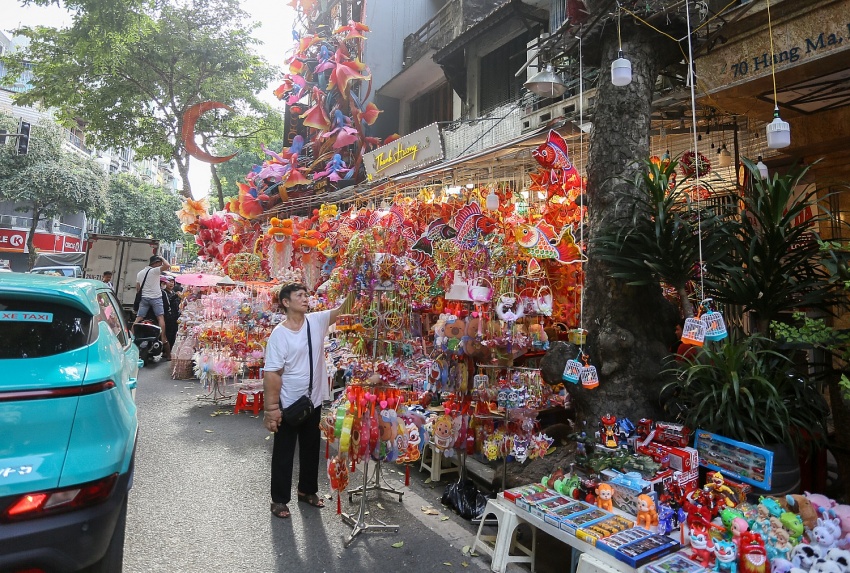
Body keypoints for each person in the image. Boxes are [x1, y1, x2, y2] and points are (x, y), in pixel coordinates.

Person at [262, 283, 350, 519]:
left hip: (313, 400)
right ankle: (279, 500)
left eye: (306, 295)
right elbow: (272, 373)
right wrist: (271, 409)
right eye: (299, 295)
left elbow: (343, 309)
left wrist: (358, 282)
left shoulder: (316, 321)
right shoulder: (279, 334)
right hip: (289, 402)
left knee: (311, 447)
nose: (305, 298)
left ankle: (307, 491)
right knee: (284, 451)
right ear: (286, 302)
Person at [134, 255, 170, 359]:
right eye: (159, 263)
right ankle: (162, 337)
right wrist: (162, 257)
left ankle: (131, 335)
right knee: (160, 317)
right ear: (155, 263)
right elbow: (167, 265)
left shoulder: (140, 273)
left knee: (139, 317)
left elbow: (138, 288)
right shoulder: (155, 271)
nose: (160, 264)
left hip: (144, 298)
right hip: (156, 298)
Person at [163, 275, 180, 350]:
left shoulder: (173, 292)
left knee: (174, 333)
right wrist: (176, 296)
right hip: (168, 316)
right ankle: (166, 350)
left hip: (175, 316)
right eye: (169, 282)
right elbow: (168, 302)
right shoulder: (164, 293)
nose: (171, 284)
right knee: (168, 333)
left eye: (172, 282)